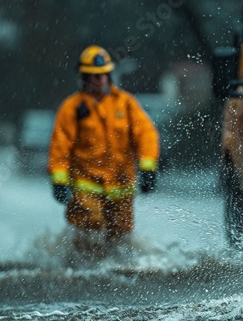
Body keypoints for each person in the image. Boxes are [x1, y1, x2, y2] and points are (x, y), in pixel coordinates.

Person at [48, 45, 160, 245]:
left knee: (121, 236)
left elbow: (146, 134)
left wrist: (148, 167)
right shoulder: (72, 108)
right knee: (91, 225)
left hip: (121, 187)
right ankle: (83, 270)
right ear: (84, 77)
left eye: (102, 75)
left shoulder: (125, 104)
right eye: (93, 75)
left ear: (109, 75)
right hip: (85, 186)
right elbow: (60, 146)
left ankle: (112, 271)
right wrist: (59, 181)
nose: (99, 80)